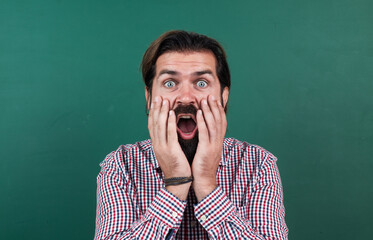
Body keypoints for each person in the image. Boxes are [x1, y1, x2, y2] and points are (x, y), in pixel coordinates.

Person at [94, 30, 288, 239]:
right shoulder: (120, 166)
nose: (186, 98)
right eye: (170, 83)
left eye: (201, 83)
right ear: (149, 97)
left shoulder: (258, 164)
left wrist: (206, 183)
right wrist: (176, 182)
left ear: (223, 96)